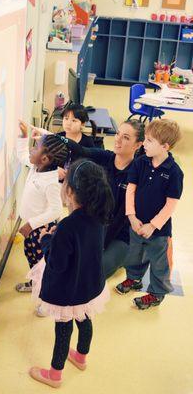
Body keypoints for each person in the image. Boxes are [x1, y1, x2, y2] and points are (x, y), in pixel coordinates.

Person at [28, 159, 114, 388]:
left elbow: (56, 263)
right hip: (90, 283)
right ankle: (81, 358)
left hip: (68, 290)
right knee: (84, 320)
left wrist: (47, 238)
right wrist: (59, 236)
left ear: (70, 191)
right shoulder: (98, 215)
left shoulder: (67, 225)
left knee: (63, 328)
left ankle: (55, 375)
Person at [52, 119, 145, 278]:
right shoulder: (106, 158)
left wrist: (97, 244)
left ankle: (125, 258)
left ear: (138, 145)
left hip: (120, 236)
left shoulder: (138, 174)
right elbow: (81, 150)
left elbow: (122, 219)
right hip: (96, 225)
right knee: (66, 259)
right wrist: (51, 136)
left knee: (93, 272)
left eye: (126, 137)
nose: (118, 139)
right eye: (118, 134)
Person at [115, 119, 183, 310]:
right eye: (145, 139)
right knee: (134, 254)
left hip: (158, 231)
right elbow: (131, 190)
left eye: (149, 140)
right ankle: (133, 278)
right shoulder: (140, 162)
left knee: (158, 262)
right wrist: (131, 216)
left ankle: (156, 293)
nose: (144, 143)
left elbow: (171, 204)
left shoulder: (174, 172)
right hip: (136, 223)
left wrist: (153, 225)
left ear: (164, 146)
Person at [15, 121, 68, 293]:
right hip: (32, 228)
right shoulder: (36, 167)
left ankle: (44, 296)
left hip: (41, 230)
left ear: (45, 159)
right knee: (31, 257)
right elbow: (22, 155)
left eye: (35, 147)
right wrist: (23, 137)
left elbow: (56, 210)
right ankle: (35, 284)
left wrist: (31, 224)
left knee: (42, 263)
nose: (32, 149)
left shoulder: (51, 182)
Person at [56, 104, 96, 181]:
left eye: (74, 120)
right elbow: (48, 161)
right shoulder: (57, 138)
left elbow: (90, 166)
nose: (68, 123)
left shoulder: (88, 142)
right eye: (66, 118)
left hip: (78, 182)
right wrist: (55, 169)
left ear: (82, 124)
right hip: (57, 181)